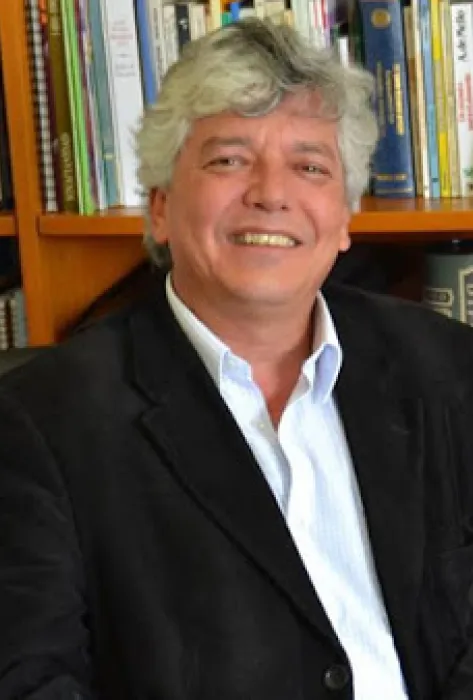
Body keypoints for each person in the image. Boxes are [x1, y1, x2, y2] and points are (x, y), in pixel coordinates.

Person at [0, 18, 473, 700]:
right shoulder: (41, 424)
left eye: (310, 166)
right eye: (228, 159)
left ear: (343, 219)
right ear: (160, 208)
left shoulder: (449, 367)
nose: (270, 193)